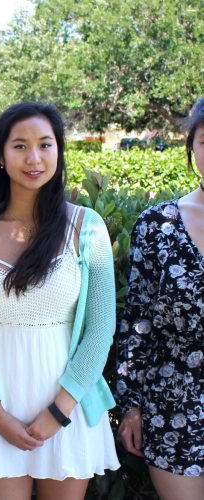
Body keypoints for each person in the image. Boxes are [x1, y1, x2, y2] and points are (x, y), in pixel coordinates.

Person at [0, 102, 119, 500]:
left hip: (68, 408)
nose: (34, 158)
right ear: (1, 157)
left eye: (45, 144)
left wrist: (59, 410)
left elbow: (100, 329)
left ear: (59, 151)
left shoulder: (86, 227)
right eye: (20, 146)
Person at [116, 97, 204, 498]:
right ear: (191, 148)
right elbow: (139, 319)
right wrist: (131, 404)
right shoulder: (157, 225)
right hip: (174, 400)